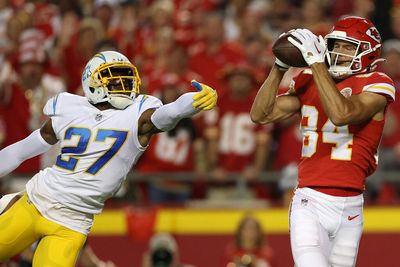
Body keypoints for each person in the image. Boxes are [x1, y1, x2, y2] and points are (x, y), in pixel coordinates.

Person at [0, 50, 217, 266]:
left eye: (126, 78)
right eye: (114, 80)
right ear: (91, 82)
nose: (124, 84)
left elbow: (170, 113)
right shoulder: (70, 108)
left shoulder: (138, 114)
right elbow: (21, 150)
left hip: (72, 223)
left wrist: (193, 102)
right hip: (35, 201)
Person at [250, 16, 395, 267]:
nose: (339, 51)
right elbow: (261, 114)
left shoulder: (378, 83)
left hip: (352, 205)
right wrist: (279, 68)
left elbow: (342, 114)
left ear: (369, 52)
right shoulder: (309, 78)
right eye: (336, 44)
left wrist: (317, 65)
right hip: (311, 199)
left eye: (348, 47)